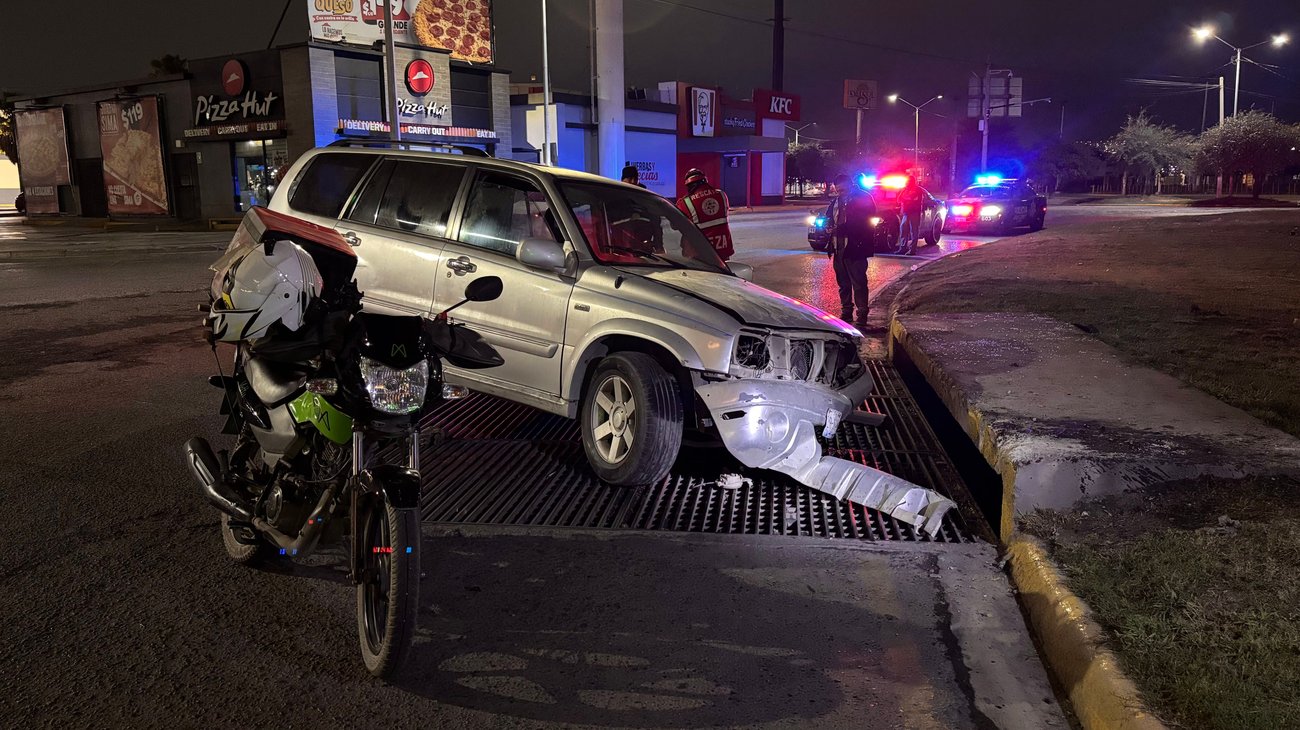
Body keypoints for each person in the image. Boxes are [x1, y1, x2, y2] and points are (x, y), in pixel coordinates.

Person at [825, 174, 876, 325]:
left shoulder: (862, 198)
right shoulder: (836, 201)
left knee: (859, 282)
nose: (841, 192)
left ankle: (862, 314)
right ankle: (846, 312)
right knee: (843, 283)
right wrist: (827, 226)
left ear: (850, 184)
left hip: (855, 247)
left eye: (843, 189)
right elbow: (830, 217)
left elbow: (863, 222)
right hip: (838, 247)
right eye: (838, 190)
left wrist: (841, 229)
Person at [675, 168, 734, 261]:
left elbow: (675, 225)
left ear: (689, 185)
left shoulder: (685, 202)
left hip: (699, 251)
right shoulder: (722, 195)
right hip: (723, 247)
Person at [896, 175, 925, 255]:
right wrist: (907, 198)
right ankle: (902, 248)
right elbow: (899, 199)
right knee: (903, 231)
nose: (907, 182)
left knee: (914, 231)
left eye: (908, 181)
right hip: (906, 213)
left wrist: (906, 199)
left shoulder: (918, 190)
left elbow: (914, 199)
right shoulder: (905, 189)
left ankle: (912, 250)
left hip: (914, 213)